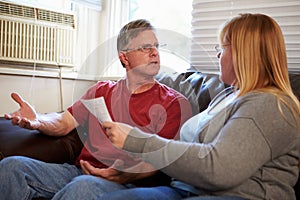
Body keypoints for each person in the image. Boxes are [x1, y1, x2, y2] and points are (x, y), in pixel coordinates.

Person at [101, 13, 300, 200]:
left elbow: (219, 169)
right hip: (185, 188)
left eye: (222, 48)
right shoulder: (228, 96)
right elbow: (191, 153)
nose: (218, 56)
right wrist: (135, 171)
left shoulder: (269, 104)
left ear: (243, 53)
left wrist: (136, 140)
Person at [0, 19, 192, 200]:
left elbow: (161, 159)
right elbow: (64, 123)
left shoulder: (173, 103)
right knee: (12, 167)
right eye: (145, 47)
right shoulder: (101, 90)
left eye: (156, 46)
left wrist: (123, 175)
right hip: (80, 171)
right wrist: (39, 120)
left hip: (127, 183)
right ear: (124, 57)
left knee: (83, 186)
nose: (154, 52)